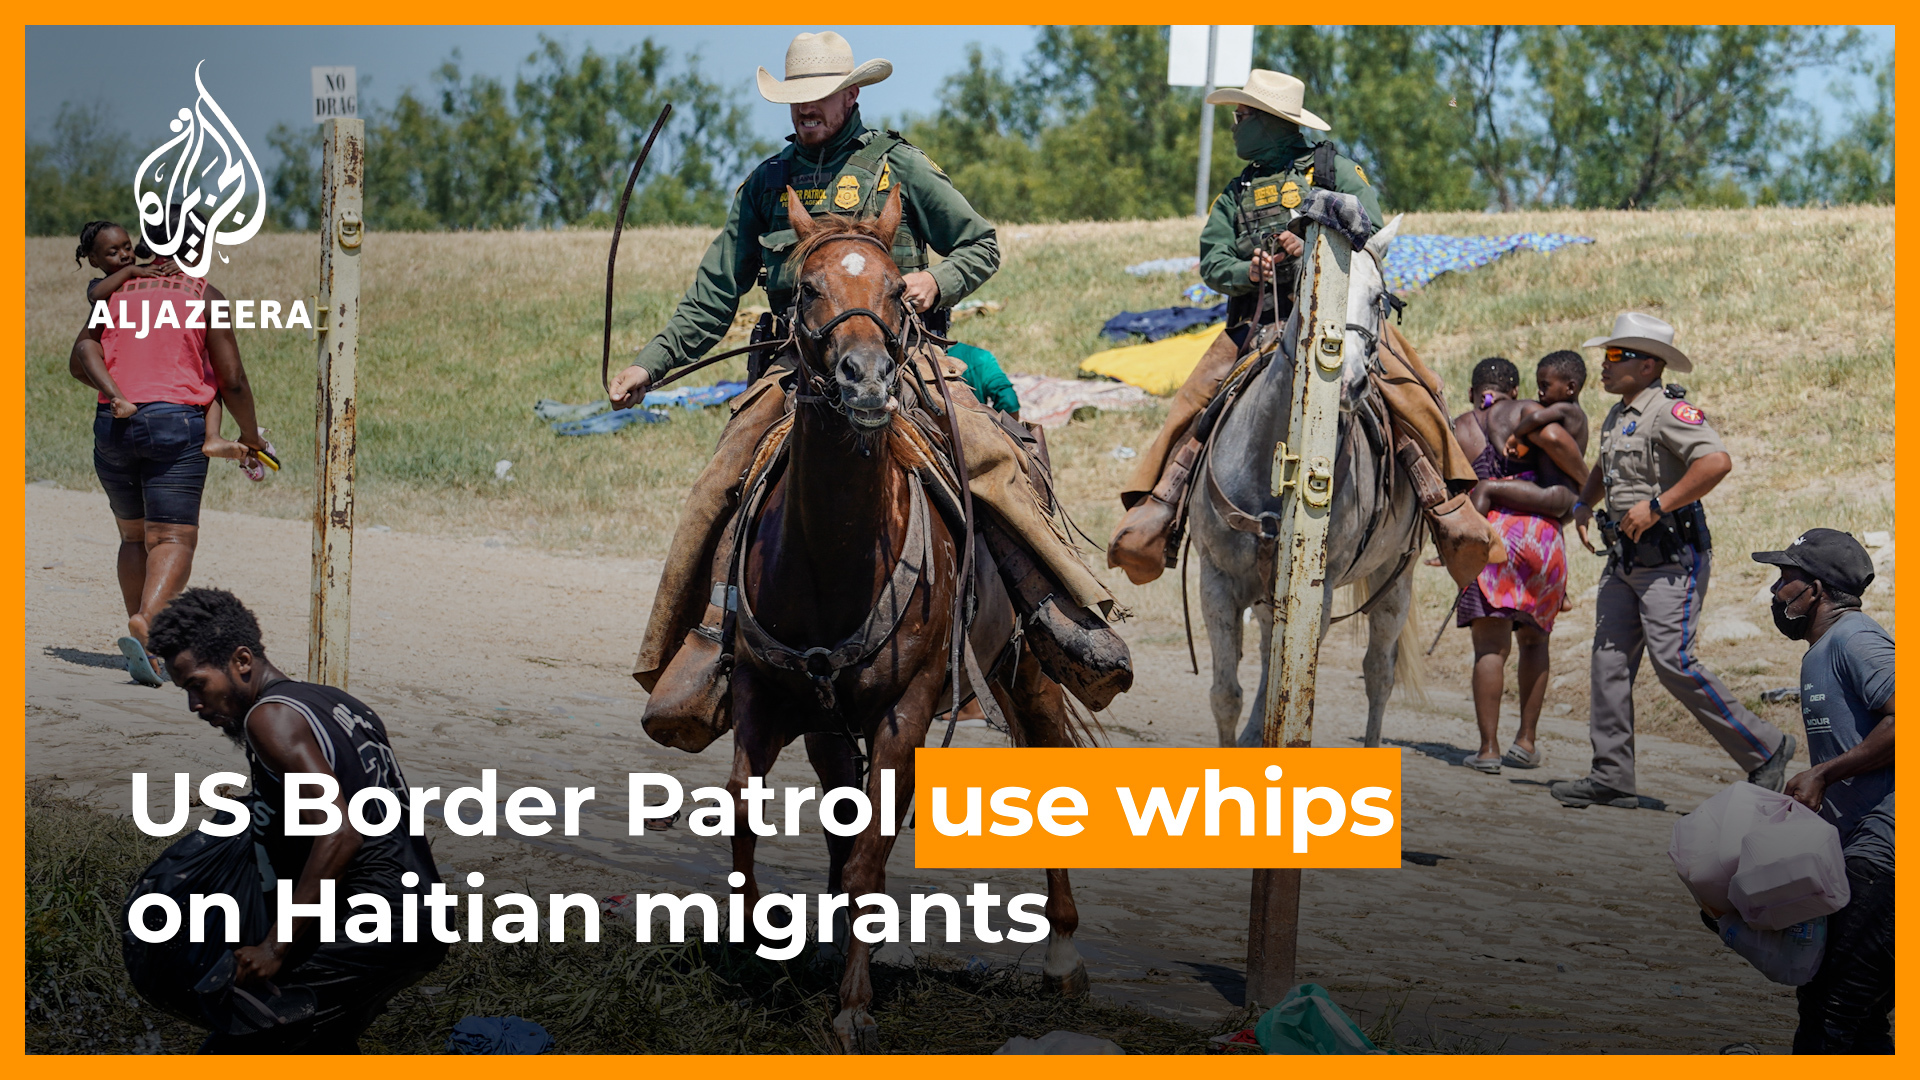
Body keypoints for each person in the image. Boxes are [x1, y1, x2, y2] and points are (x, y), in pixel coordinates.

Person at [607, 31, 1128, 751]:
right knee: (722, 474)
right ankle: (703, 642)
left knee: (987, 452)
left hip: (902, 358)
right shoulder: (766, 184)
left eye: (820, 96)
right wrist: (650, 365)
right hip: (797, 370)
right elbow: (711, 297)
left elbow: (980, 243)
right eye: (796, 99)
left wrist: (934, 280)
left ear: (852, 95)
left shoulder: (898, 165)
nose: (806, 110)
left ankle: (1052, 610)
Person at [1107, 69, 1493, 590]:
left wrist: (1312, 233)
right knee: (1192, 400)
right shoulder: (1235, 192)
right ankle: (1160, 508)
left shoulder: (1335, 169)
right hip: (1257, 321)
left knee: (1416, 390)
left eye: (1242, 117)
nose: (1235, 128)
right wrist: (1248, 271)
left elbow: (1371, 229)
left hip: (1341, 314)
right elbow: (1212, 260)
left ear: (1271, 122)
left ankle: (1447, 506)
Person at [147, 588, 447, 1052]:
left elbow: (341, 831)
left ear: (241, 661)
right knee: (322, 1045)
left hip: (372, 921)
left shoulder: (269, 719)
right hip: (421, 913)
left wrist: (275, 946)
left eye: (197, 685)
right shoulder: (340, 705)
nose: (194, 705)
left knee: (236, 1044)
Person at [1550, 313, 1794, 808]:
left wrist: (1658, 506)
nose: (1604, 364)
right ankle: (1611, 776)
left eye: (1615, 355)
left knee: (1674, 662)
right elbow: (1605, 464)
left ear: (1648, 366)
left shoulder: (1670, 412)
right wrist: (1584, 504)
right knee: (1608, 663)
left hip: (1671, 560)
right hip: (1625, 560)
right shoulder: (1619, 413)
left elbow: (1716, 462)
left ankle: (1766, 748)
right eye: (1606, 355)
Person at [69, 216, 270, 686]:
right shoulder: (204, 295)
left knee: (133, 537)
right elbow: (232, 380)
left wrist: (123, 383)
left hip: (114, 424)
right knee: (172, 539)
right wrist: (251, 438)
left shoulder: (115, 294)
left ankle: (144, 646)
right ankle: (147, 622)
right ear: (195, 247)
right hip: (175, 425)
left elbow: (80, 361)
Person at [1749, 529, 1894, 1053]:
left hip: (1888, 853)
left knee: (1833, 1009)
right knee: (1856, 1017)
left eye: (1784, 579)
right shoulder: (1823, 650)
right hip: (1860, 851)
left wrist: (1824, 774)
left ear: (1815, 590)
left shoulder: (1856, 638)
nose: (1775, 592)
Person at [1450, 354, 1587, 773]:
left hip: (1487, 536)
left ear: (1473, 392)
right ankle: (1525, 742)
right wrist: (1586, 485)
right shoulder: (1525, 410)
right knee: (1534, 641)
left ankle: (1488, 750)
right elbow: (1555, 443)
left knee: (1490, 647)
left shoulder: (1458, 427)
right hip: (1540, 536)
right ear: (1515, 389)